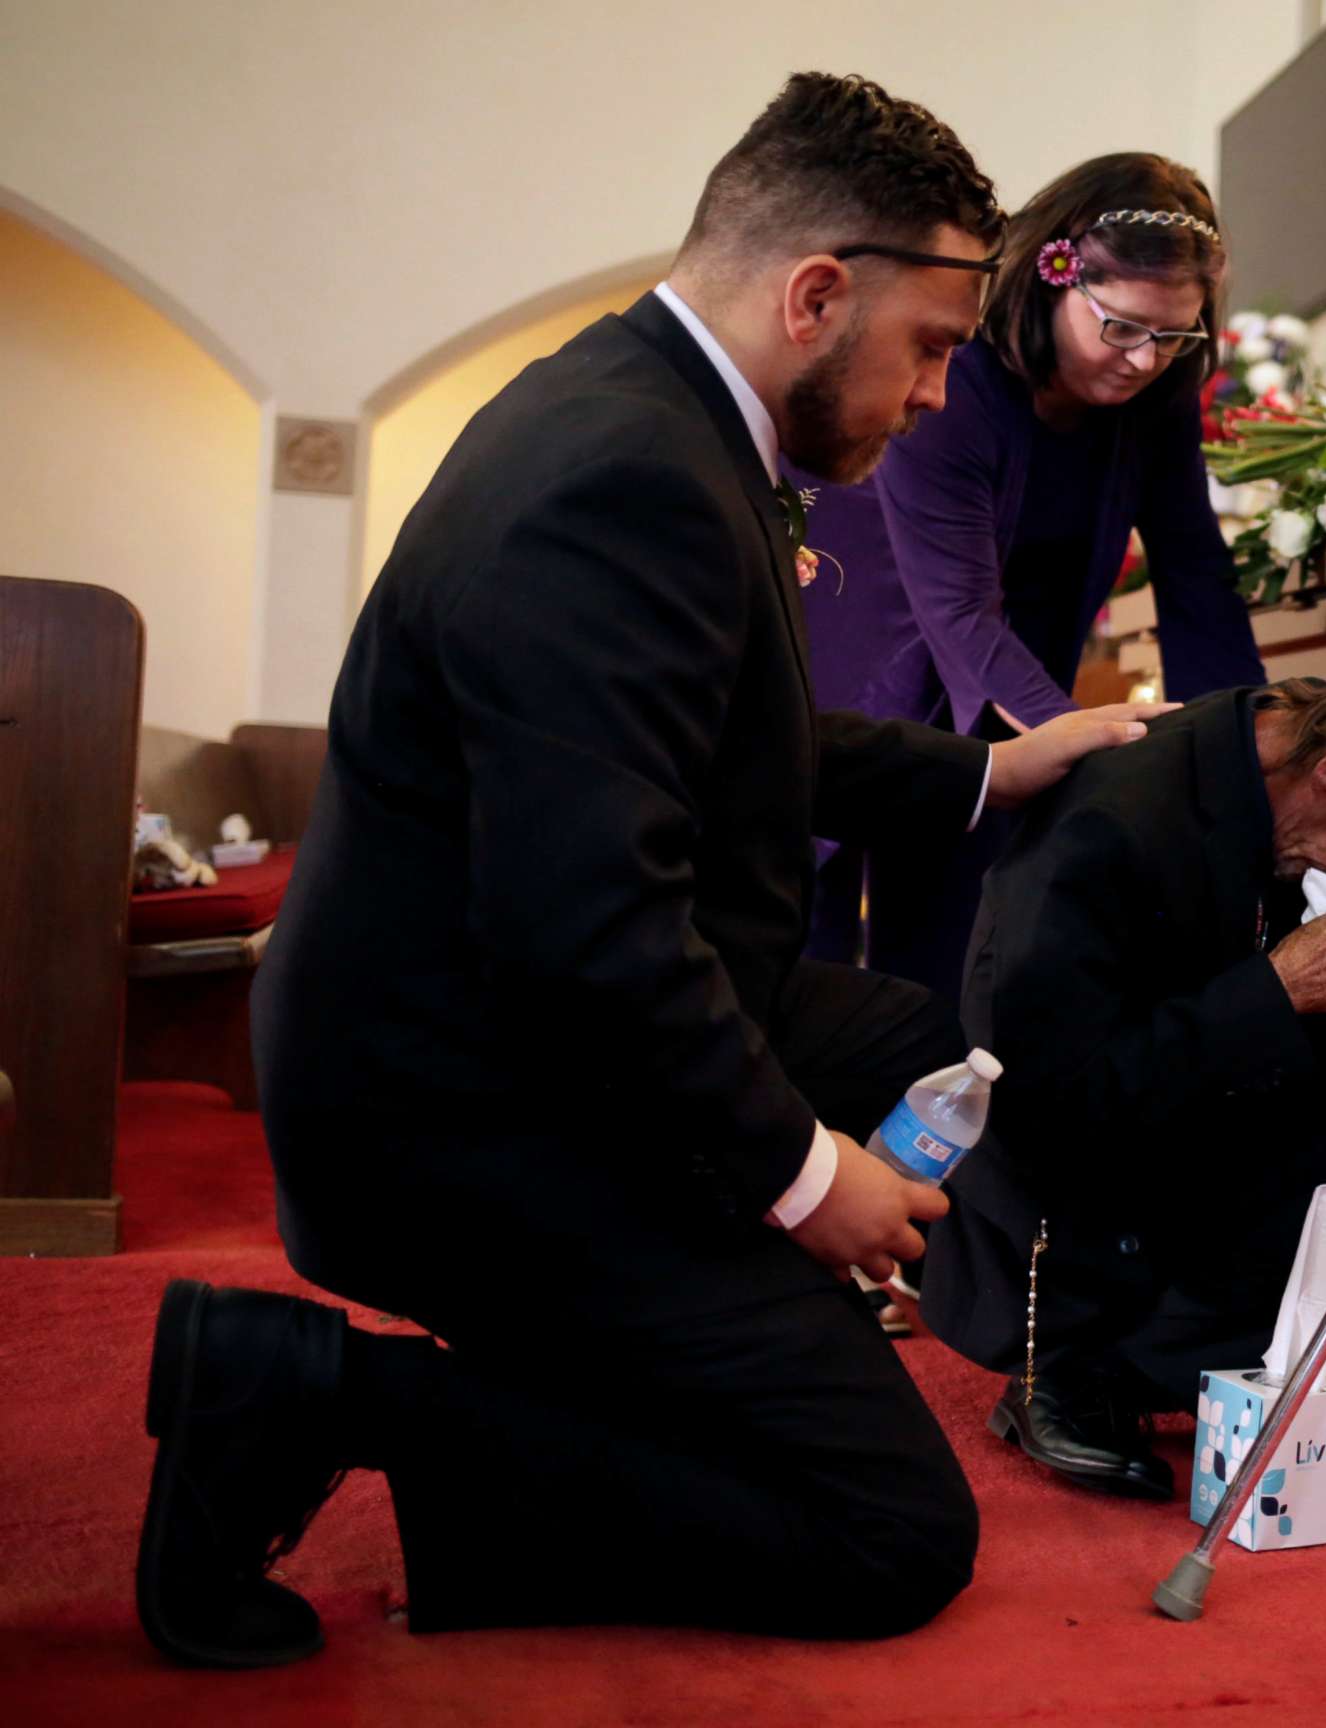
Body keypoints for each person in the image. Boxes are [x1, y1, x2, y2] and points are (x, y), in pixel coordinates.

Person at [135, 74, 1167, 1668]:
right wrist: (813, 1184)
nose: (943, 398)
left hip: (505, 1028)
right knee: (890, 1530)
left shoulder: (658, 419)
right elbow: (586, 933)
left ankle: (749, 1322)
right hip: (456, 1112)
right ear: (817, 293)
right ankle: (306, 1389)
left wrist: (998, 763)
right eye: (935, 349)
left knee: (917, 1042)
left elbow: (741, 734)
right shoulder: (620, 476)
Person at [919, 662, 1326, 1499]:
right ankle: (1082, 1367)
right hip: (1080, 1219)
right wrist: (1275, 991)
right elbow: (1048, 1105)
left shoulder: (1291, 771)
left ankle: (1187, 1350)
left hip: (1211, 1159)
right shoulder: (1118, 820)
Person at [785, 152, 1263, 991]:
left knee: (956, 964)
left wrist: (1246, 751)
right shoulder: (954, 380)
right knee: (812, 940)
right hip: (876, 641)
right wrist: (1111, 752)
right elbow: (961, 613)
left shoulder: (1154, 390)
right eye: (1121, 328)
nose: (1145, 360)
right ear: (1055, 279)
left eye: (1172, 336)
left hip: (1014, 669)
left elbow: (1195, 575)